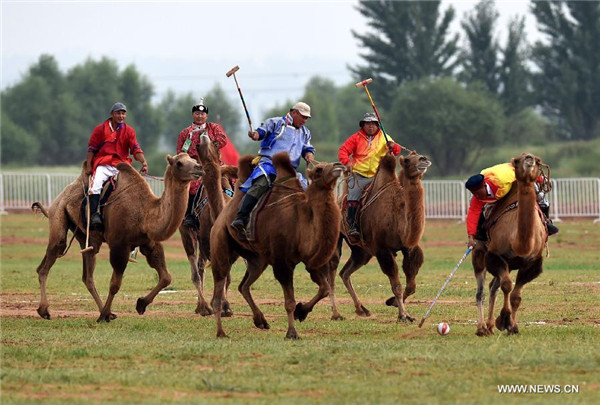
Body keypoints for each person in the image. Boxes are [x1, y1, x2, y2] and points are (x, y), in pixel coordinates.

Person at [230, 101, 315, 239]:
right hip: (270, 164)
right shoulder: (276, 122)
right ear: (294, 112)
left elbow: (308, 148)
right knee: (261, 184)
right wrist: (255, 135)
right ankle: (241, 217)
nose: (305, 120)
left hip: (290, 170)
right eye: (303, 117)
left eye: (307, 118)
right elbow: (261, 132)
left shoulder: (305, 132)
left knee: (307, 191)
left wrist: (309, 156)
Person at [338, 112, 401, 242]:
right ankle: (352, 226)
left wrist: (393, 146)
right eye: (368, 123)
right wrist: (347, 163)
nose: (370, 126)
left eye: (373, 123)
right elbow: (343, 150)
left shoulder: (385, 137)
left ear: (378, 125)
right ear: (363, 125)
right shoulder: (356, 137)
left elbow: (397, 151)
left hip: (379, 176)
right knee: (353, 194)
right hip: (359, 176)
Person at [465, 162, 559, 248]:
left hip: (514, 174)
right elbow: (473, 214)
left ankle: (546, 223)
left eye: (478, 192)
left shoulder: (501, 178)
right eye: (474, 193)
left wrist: (539, 179)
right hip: (497, 187)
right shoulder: (476, 197)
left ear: (484, 186)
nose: (476, 196)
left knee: (538, 193)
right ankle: (481, 232)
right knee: (472, 202)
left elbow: (521, 174)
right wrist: (471, 237)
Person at [86, 102, 147, 229]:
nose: (121, 116)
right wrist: (88, 166)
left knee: (135, 186)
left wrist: (143, 161)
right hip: (103, 164)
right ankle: (94, 215)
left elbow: (135, 149)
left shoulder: (129, 131)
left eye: (123, 113)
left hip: (121, 165)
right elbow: (92, 149)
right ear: (112, 114)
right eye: (118, 113)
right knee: (95, 185)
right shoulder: (100, 129)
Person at [176, 99, 228, 227]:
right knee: (192, 186)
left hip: (214, 163)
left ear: (206, 116)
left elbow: (223, 139)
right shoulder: (185, 133)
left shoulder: (213, 128)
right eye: (197, 114)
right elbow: (180, 152)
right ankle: (190, 215)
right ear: (193, 115)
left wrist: (210, 145)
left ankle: (235, 210)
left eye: (202, 114)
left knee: (230, 181)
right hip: (195, 166)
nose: (200, 116)